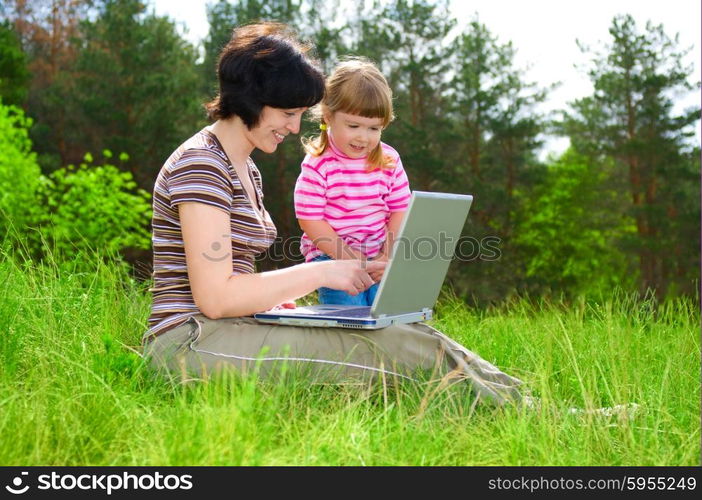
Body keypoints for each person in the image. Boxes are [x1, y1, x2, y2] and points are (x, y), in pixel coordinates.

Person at [142, 22, 524, 407]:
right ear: (251, 99)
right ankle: (521, 414)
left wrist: (269, 304)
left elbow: (230, 281)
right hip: (189, 343)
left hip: (228, 327)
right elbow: (215, 298)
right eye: (288, 113)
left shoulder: (243, 166)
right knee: (391, 349)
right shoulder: (202, 165)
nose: (294, 128)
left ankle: (530, 404)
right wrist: (321, 271)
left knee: (409, 335)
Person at [294, 58, 408, 306]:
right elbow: (310, 220)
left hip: (381, 254)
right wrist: (350, 259)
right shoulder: (319, 164)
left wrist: (386, 255)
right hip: (333, 256)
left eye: (374, 128)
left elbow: (400, 210)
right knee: (349, 316)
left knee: (388, 312)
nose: (363, 137)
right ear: (328, 116)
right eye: (353, 125)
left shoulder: (388, 160)